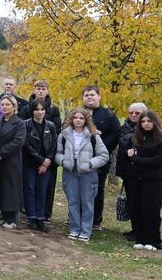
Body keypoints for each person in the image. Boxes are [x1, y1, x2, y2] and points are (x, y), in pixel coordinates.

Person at [55, 107, 108, 243]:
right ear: (71, 119)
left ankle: (85, 231)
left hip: (88, 174)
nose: (78, 120)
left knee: (87, 203)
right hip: (70, 172)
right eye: (75, 117)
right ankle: (74, 229)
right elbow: (57, 153)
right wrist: (64, 161)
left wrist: (90, 164)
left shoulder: (94, 135)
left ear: (86, 120)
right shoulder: (64, 135)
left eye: (81, 118)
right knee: (73, 202)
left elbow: (103, 156)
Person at [22, 80, 62, 222]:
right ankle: (31, 216)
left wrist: (47, 161)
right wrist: (39, 159)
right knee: (30, 189)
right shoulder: (26, 113)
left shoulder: (53, 114)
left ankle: (43, 215)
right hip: (31, 159)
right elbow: (25, 142)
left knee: (44, 190)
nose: (40, 91)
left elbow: (55, 139)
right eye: (38, 88)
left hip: (47, 160)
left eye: (43, 88)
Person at [81, 86, 121, 231]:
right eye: (86, 95)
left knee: (96, 189)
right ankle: (76, 216)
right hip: (79, 159)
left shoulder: (108, 115)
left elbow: (116, 135)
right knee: (79, 188)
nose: (89, 97)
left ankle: (96, 220)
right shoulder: (78, 113)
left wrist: (101, 148)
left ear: (99, 97)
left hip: (100, 160)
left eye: (92, 95)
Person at [126, 111, 162, 250]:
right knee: (136, 208)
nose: (146, 124)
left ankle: (153, 240)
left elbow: (158, 160)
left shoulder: (160, 139)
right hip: (135, 178)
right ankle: (140, 238)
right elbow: (128, 156)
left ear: (154, 122)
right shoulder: (136, 138)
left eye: (149, 121)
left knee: (151, 209)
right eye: (143, 121)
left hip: (153, 179)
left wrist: (135, 158)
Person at [0, 95, 26, 228]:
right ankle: (4, 215)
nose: (4, 107)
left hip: (11, 161)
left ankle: (11, 219)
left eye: (7, 105)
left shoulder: (19, 123)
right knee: (0, 188)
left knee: (10, 189)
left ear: (14, 107)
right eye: (3, 105)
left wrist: (1, 153)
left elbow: (18, 142)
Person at [117, 102, 147, 242]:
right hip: (128, 171)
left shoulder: (148, 128)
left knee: (144, 202)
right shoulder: (124, 127)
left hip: (144, 172)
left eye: (137, 113)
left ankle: (145, 230)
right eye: (131, 113)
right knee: (132, 202)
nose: (133, 115)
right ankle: (136, 229)